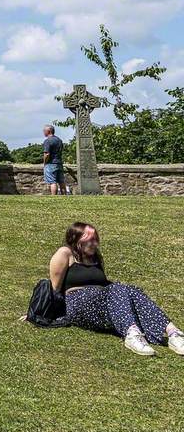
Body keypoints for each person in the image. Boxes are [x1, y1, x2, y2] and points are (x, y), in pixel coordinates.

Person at [48, 222, 184, 356]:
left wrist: (122, 291)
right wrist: (40, 312)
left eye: (96, 239)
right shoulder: (65, 253)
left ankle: (172, 333)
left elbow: (105, 284)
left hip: (100, 301)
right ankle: (132, 334)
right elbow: (55, 288)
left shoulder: (94, 257)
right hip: (78, 304)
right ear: (77, 239)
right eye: (91, 240)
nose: (95, 244)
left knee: (130, 289)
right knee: (117, 288)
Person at [41, 124, 65, 195]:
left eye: (44, 131)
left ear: (48, 131)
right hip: (59, 163)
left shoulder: (47, 141)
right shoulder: (59, 140)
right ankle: (65, 196)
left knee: (52, 182)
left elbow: (47, 154)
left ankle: (54, 197)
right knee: (61, 182)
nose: (43, 132)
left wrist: (45, 162)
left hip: (51, 163)